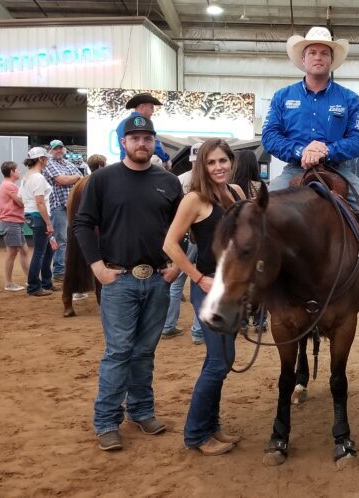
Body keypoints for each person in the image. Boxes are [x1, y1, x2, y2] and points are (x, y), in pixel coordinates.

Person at [261, 26, 359, 317]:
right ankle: (260, 289)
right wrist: (300, 151)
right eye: (312, 52)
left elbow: (358, 141)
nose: (318, 57)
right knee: (258, 216)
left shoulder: (349, 98)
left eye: (324, 52)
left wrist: (326, 150)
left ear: (331, 60)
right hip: (293, 168)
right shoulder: (283, 97)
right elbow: (269, 136)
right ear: (303, 60)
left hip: (339, 169)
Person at [74, 115, 182, 452]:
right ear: (123, 142)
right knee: (119, 352)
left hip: (157, 281)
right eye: (134, 138)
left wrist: (176, 267)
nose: (141, 143)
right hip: (118, 280)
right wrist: (98, 269)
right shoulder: (103, 180)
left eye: (147, 138)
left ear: (153, 142)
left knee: (145, 352)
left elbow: (184, 228)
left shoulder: (169, 183)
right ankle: (106, 421)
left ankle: (141, 411)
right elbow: (83, 224)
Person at [163, 138, 245, 456]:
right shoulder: (195, 199)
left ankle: (211, 426)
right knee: (217, 362)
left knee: (223, 361)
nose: (218, 167)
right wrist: (198, 278)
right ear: (202, 166)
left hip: (233, 289)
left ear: (231, 162)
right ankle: (196, 434)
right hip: (209, 289)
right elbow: (170, 244)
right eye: (211, 163)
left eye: (222, 160)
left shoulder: (236, 193)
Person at [161, 160, 205, 343]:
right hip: (197, 236)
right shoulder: (206, 182)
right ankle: (197, 331)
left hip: (183, 235)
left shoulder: (179, 179)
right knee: (200, 278)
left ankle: (168, 325)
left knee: (178, 282)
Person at [44, 140, 84, 282]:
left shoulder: (68, 163)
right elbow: (62, 180)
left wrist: (74, 178)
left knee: (72, 238)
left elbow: (82, 179)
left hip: (72, 206)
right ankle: (59, 271)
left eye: (61, 148)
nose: (59, 150)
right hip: (58, 205)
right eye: (56, 149)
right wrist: (75, 178)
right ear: (51, 150)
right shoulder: (49, 163)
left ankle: (67, 268)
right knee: (61, 239)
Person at [21, 148, 55, 297]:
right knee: (40, 252)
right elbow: (40, 202)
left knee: (46, 250)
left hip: (32, 214)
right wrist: (48, 222)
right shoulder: (38, 177)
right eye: (45, 159)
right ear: (41, 159)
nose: (47, 161)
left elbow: (19, 197)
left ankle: (46, 282)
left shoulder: (27, 176)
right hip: (39, 215)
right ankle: (34, 286)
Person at [0, 161, 30, 291]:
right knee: (12, 252)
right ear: (12, 172)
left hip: (13, 222)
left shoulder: (7, 185)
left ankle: (29, 279)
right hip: (11, 221)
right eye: (17, 170)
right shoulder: (10, 186)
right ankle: (9, 283)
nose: (19, 172)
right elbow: (21, 203)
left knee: (24, 250)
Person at [117, 93, 170, 165]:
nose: (153, 111)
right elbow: (155, 146)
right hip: (140, 162)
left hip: (125, 163)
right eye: (151, 107)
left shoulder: (121, 123)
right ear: (142, 107)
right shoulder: (144, 122)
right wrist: (166, 159)